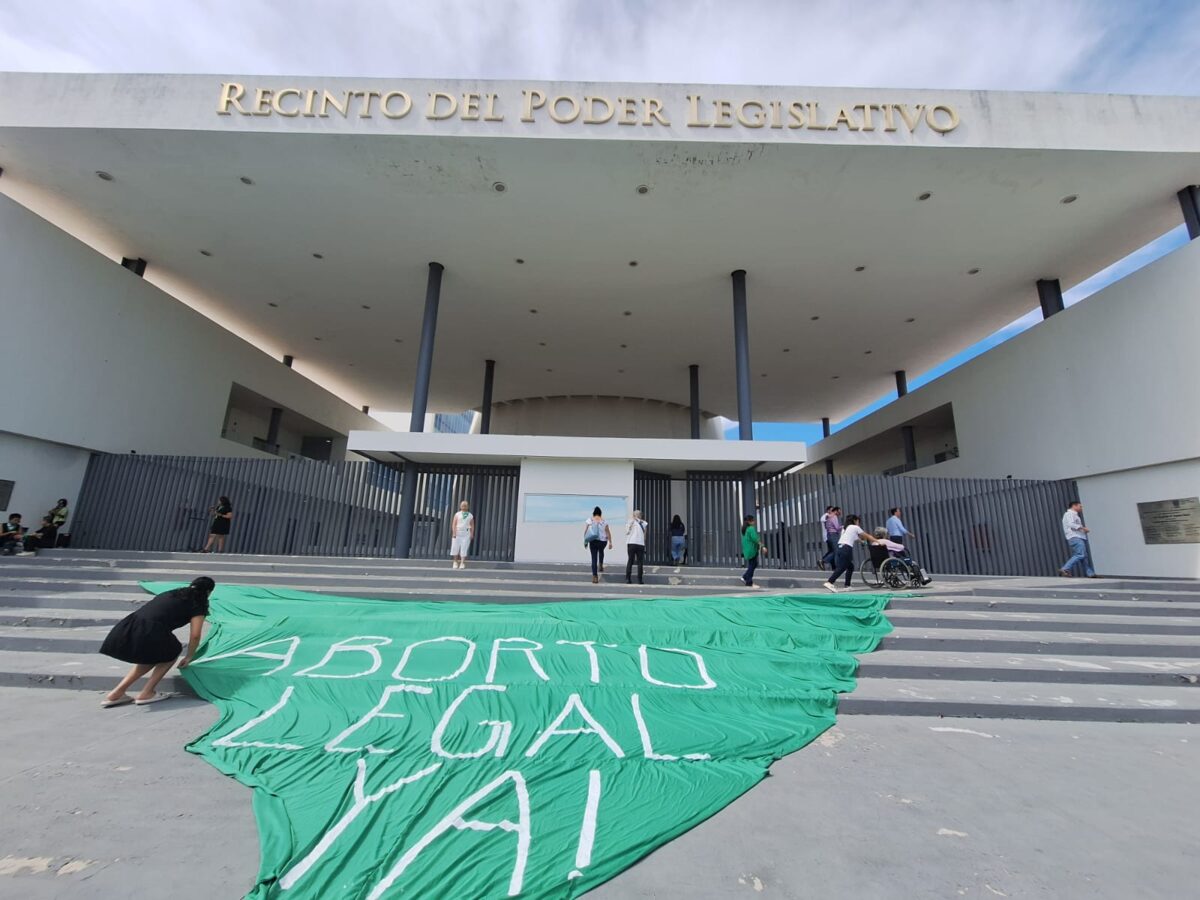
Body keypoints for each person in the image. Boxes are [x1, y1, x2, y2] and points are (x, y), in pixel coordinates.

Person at [99, 576, 215, 707]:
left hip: (131, 625)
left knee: (152, 656)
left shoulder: (173, 592)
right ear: (209, 592)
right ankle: (147, 692)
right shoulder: (198, 603)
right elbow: (195, 635)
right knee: (171, 653)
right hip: (151, 630)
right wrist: (189, 656)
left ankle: (116, 693)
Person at [825, 514, 882, 592]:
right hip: (846, 548)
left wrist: (863, 542)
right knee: (842, 567)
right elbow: (867, 536)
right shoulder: (855, 527)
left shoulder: (845, 529)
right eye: (858, 521)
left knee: (850, 567)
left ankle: (847, 585)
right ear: (855, 520)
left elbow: (857, 539)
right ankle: (830, 582)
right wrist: (878, 541)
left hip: (840, 548)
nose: (858, 523)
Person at [1060, 499, 1097, 578]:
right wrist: (1083, 528)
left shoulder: (1074, 515)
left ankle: (1090, 574)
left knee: (1083, 557)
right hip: (1075, 537)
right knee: (1080, 554)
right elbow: (1071, 524)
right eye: (1080, 506)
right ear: (1074, 506)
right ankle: (1065, 568)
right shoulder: (1069, 514)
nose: (1081, 508)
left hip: (1077, 537)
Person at [583, 507, 613, 584]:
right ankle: (601, 565)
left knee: (594, 558)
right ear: (600, 513)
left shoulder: (590, 520)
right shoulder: (604, 521)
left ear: (594, 513)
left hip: (593, 541)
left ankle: (595, 577)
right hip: (603, 542)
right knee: (601, 551)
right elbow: (608, 532)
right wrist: (610, 542)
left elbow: (586, 531)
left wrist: (585, 541)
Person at [449, 500, 475, 569]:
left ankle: (462, 563)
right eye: (462, 505)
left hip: (466, 533)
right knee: (455, 547)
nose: (464, 506)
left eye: (465, 505)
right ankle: (455, 562)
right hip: (458, 532)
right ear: (460, 506)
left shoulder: (470, 515)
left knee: (464, 547)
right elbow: (454, 524)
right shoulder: (457, 514)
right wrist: (454, 533)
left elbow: (472, 525)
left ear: (468, 506)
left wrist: (472, 533)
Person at [740, 513, 763, 587]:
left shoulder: (744, 529)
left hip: (747, 550)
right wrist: (762, 546)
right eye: (753, 520)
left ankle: (744, 577)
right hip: (752, 550)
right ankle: (749, 582)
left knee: (753, 564)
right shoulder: (751, 529)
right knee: (752, 565)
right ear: (749, 522)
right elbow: (755, 539)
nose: (754, 522)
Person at [625, 509, 648, 584]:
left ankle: (628, 579)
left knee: (630, 561)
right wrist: (644, 544)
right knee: (640, 562)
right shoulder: (644, 523)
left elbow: (627, 532)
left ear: (633, 515)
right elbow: (645, 536)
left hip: (631, 543)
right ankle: (640, 580)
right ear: (640, 515)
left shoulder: (630, 521)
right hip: (640, 544)